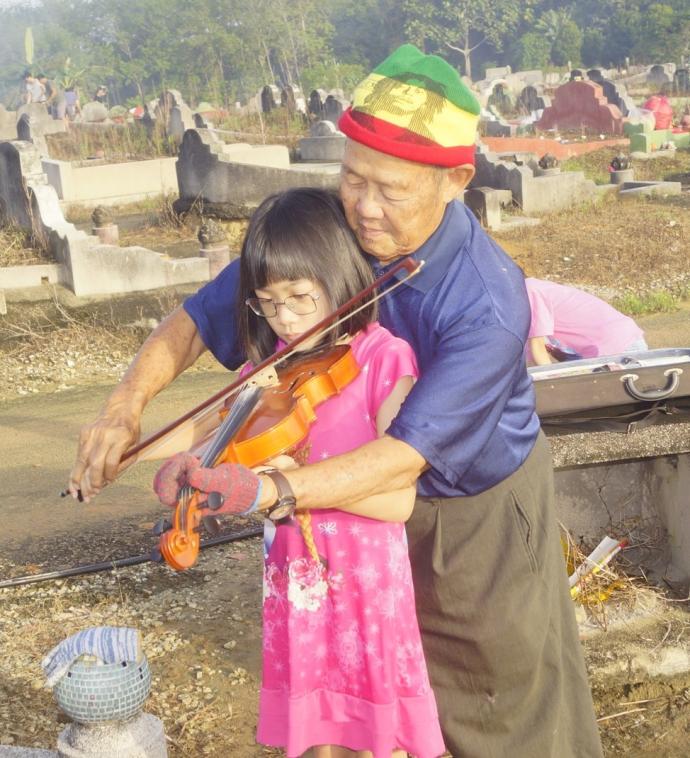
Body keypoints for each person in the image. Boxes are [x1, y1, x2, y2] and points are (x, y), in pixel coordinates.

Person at [69, 45, 604, 757]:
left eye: (391, 190)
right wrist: (125, 407)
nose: (364, 207)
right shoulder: (335, 228)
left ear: (456, 181)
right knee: (378, 708)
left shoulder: (485, 301)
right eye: (353, 178)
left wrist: (265, 487)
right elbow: (202, 315)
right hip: (351, 514)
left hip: (468, 518)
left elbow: (400, 459)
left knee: (492, 710)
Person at [153, 187, 445, 758]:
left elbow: (399, 503)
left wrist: (293, 483)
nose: (284, 319)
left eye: (300, 298)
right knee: (314, 737)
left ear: (340, 279)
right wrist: (191, 468)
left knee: (373, 739)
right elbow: (222, 444)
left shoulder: (384, 361)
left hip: (364, 588)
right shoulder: (272, 372)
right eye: (267, 302)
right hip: (298, 587)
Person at [526, 277, 647, 365]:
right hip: (599, 350)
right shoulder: (527, 292)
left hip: (617, 348)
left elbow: (537, 347)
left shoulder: (529, 290)